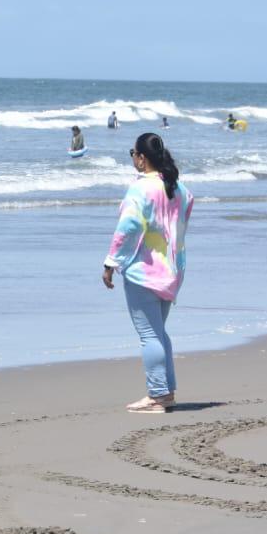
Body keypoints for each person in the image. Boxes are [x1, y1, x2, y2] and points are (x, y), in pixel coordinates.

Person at [102, 132, 193, 414]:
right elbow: (182, 218)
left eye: (133, 153)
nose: (132, 158)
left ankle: (157, 395)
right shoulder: (179, 189)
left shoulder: (141, 189)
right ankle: (167, 391)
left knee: (149, 335)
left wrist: (110, 262)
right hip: (172, 270)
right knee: (158, 332)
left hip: (144, 271)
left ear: (141, 158)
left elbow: (128, 227)